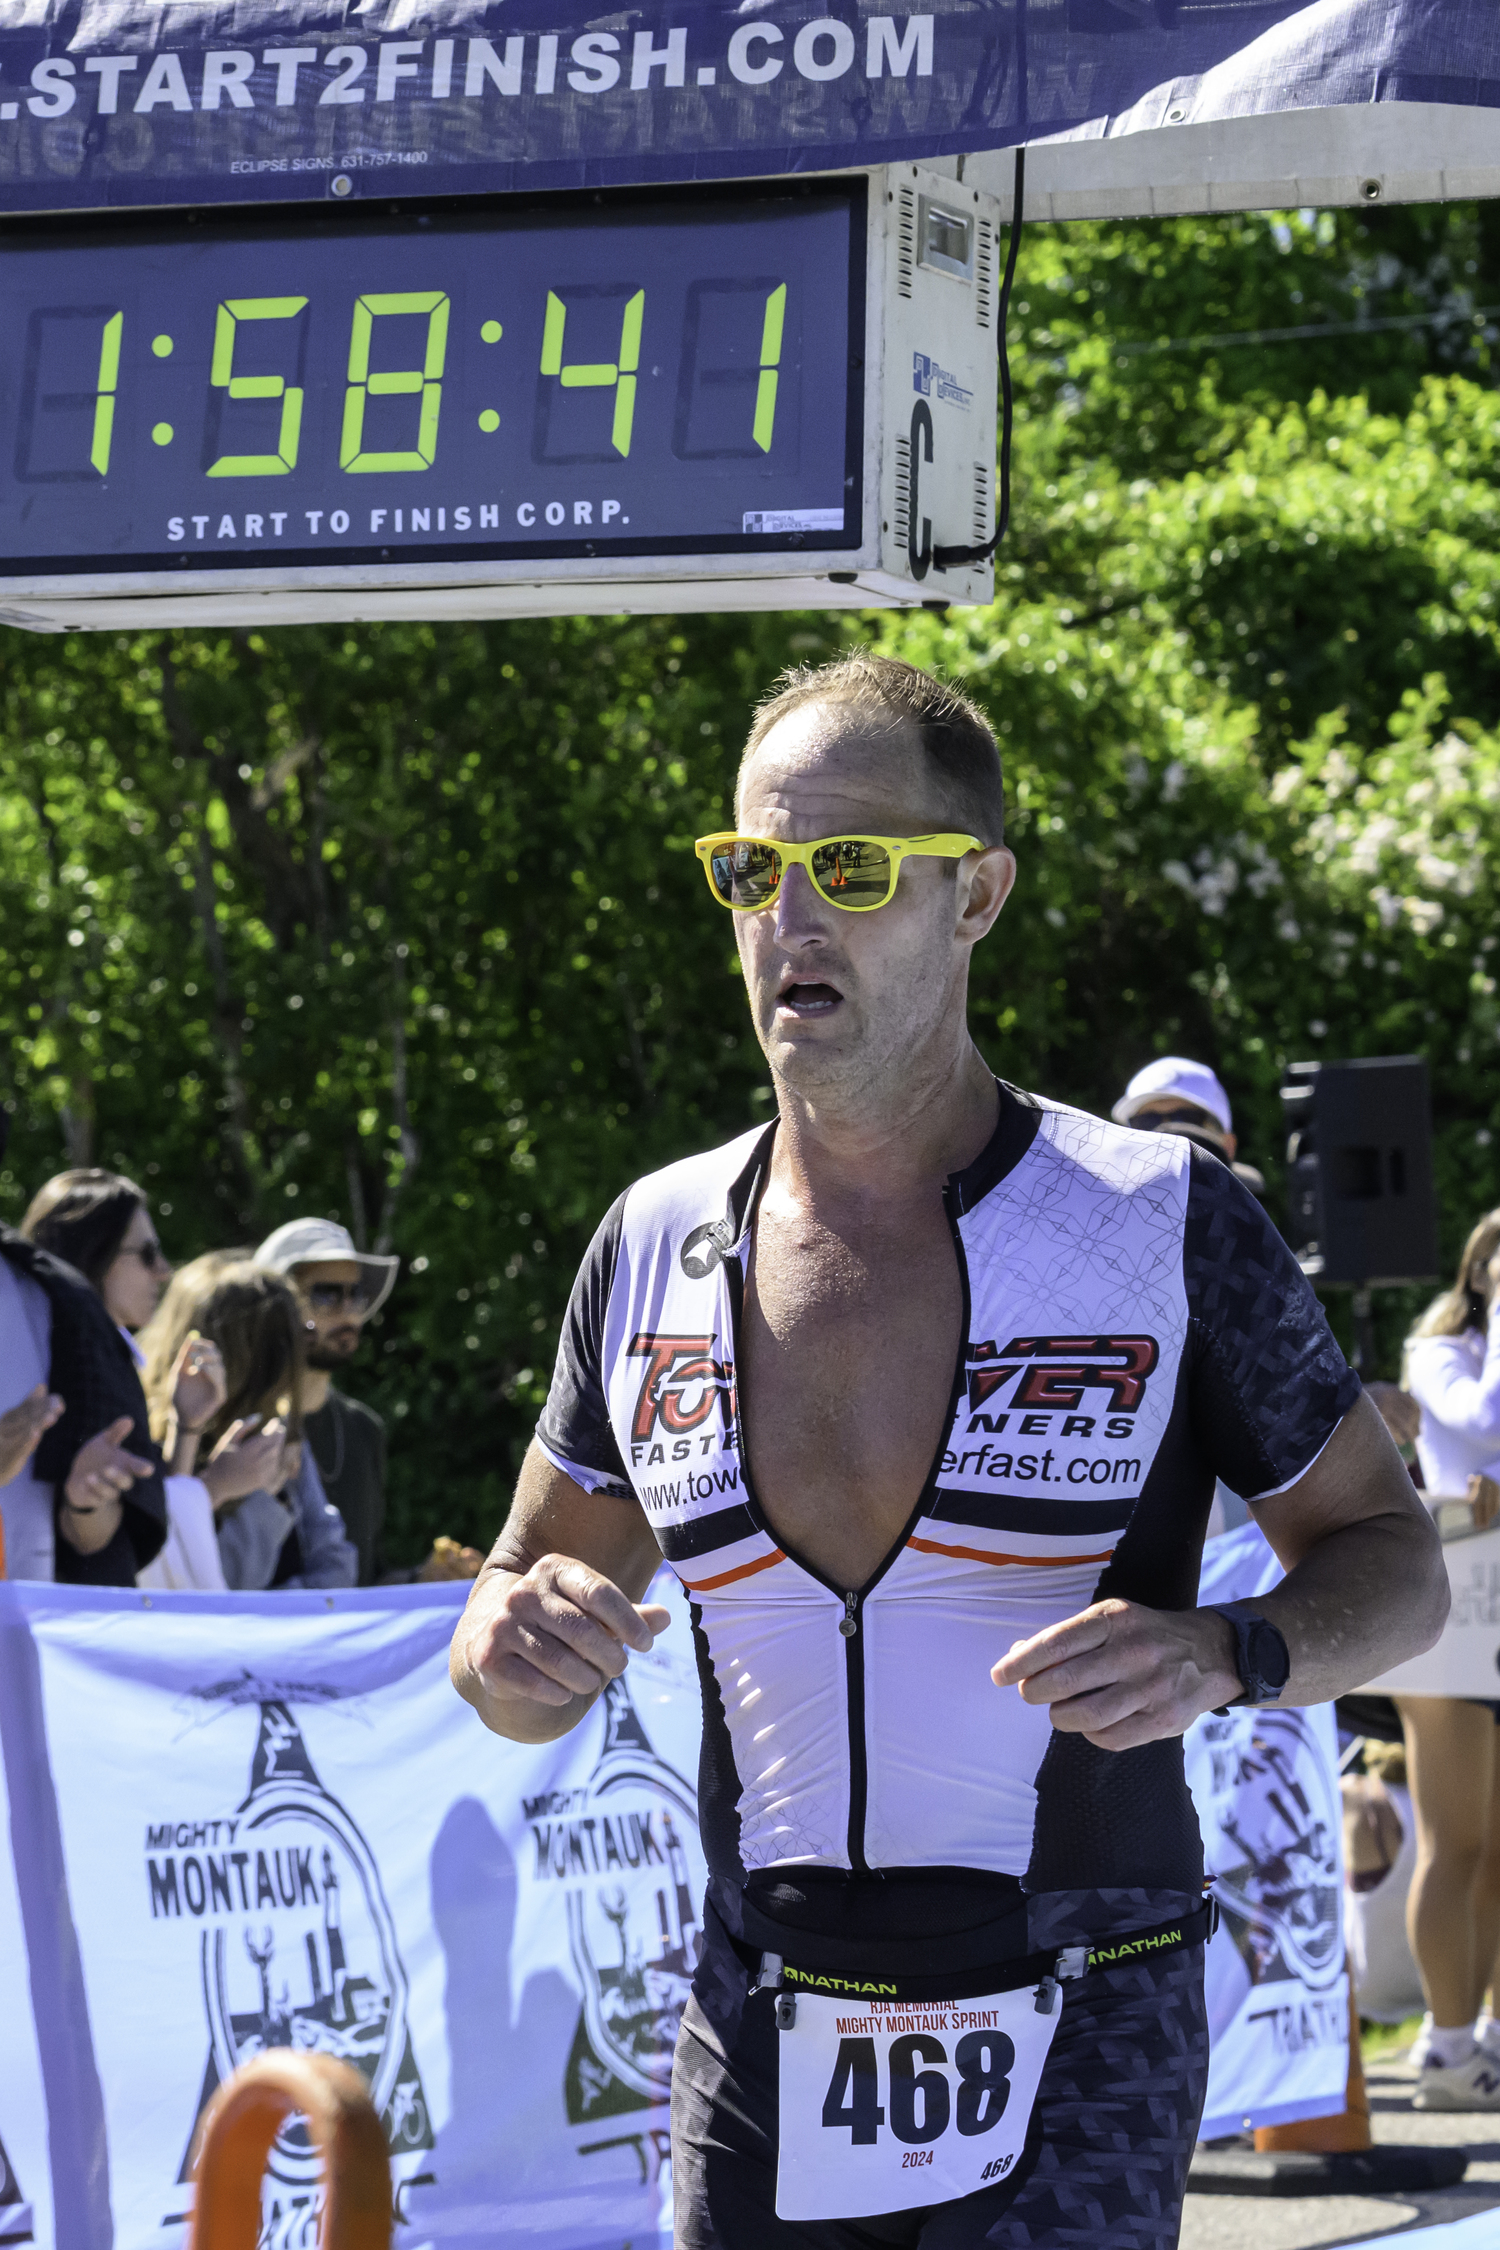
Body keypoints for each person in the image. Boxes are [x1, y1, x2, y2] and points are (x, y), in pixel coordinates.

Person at [450, 652, 1446, 2249]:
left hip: (1085, 2008)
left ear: (975, 895)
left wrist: (1233, 1648)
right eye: (752, 869)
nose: (792, 916)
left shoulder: (1159, 1218)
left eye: (851, 868)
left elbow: (1395, 1570)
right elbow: (509, 1641)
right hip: (762, 2017)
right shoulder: (649, 1241)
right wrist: (504, 1641)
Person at [19, 1169, 273, 1588]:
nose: (164, 1271)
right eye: (147, 1253)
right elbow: (94, 1546)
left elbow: (149, 1518)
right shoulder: (74, 1365)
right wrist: (86, 1503)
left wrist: (186, 1424)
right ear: (94, 1255)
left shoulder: (100, 1357)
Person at [1394, 1211, 1500, 2108]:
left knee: (1498, 1847)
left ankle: (1485, 2039)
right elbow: (1488, 1418)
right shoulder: (1441, 1352)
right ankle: (1447, 2049)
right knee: (1455, 1838)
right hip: (1454, 1596)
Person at [256, 1217, 482, 1585]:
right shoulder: (236, 1421)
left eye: (355, 1294)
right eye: (326, 1294)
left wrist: (421, 1578)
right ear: (275, 1305)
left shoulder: (363, 1429)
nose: (348, 1312)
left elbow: (362, 1582)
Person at [140, 1255, 357, 1591]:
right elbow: (199, 1586)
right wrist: (250, 1497)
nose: (302, 1351)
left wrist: (281, 1612)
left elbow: (337, 1567)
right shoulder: (145, 1439)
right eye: (291, 1337)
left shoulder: (276, 1432)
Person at [1111, 1055, 1265, 1197]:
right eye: (1146, 1121)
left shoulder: (1257, 1222)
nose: (1164, 1135)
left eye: (1185, 1119)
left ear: (1228, 1145)